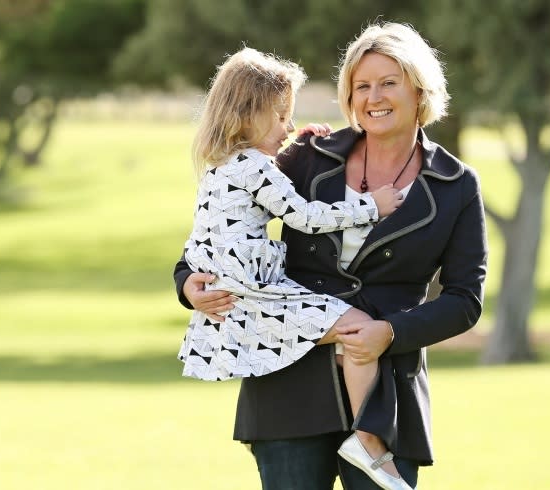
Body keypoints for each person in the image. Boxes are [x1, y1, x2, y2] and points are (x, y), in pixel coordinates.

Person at [175, 22, 487, 490]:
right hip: (288, 389)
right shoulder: (305, 156)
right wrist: (186, 284)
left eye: (388, 82)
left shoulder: (456, 185)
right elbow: (223, 221)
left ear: (419, 89)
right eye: (362, 85)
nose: (373, 97)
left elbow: (464, 300)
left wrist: (390, 332)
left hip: (386, 397)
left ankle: (369, 443)